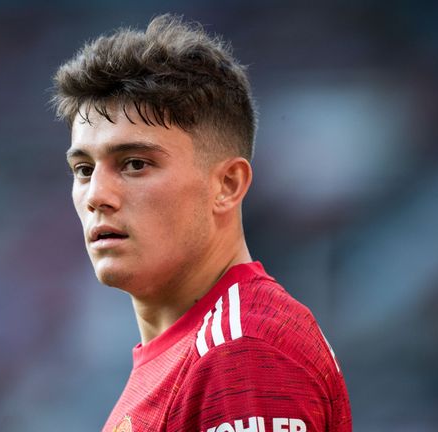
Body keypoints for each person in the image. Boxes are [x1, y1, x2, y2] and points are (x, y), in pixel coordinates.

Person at [52, 14, 352, 432]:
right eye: (83, 169)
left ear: (227, 185)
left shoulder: (243, 352)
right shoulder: (186, 355)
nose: (97, 195)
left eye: (135, 164)